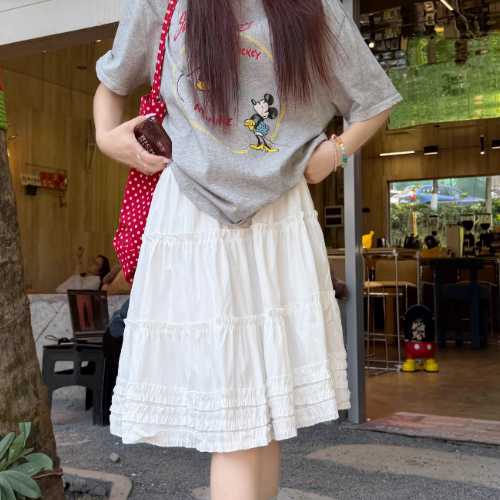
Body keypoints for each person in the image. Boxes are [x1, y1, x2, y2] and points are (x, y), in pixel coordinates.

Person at [93, 0, 403, 498]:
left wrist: (335, 153)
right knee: (237, 422)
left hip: (278, 217)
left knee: (261, 419)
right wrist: (108, 140)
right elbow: (112, 84)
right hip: (195, 218)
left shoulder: (313, 8)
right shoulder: (163, 4)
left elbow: (375, 99)